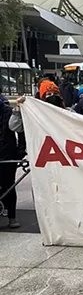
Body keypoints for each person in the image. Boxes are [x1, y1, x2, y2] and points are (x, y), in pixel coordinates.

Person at [10, 81, 75, 133]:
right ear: (42, 98)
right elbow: (15, 127)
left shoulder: (68, 112)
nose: (52, 96)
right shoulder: (34, 114)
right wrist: (18, 109)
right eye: (48, 94)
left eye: (55, 93)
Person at [0, 93, 21, 228]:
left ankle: (12, 216)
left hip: (7, 154)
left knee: (9, 185)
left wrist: (20, 151)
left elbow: (20, 130)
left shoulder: (8, 111)